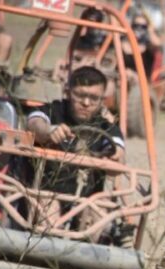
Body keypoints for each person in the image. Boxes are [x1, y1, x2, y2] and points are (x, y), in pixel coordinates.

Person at [27, 66, 125, 229]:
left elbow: (118, 154)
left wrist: (113, 159)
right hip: (47, 192)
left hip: (87, 200)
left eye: (93, 98)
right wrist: (48, 131)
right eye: (80, 95)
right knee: (47, 209)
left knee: (100, 207)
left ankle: (90, 249)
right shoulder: (53, 111)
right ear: (68, 92)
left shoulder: (107, 128)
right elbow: (33, 123)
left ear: (102, 100)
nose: (86, 103)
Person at [122, 11, 161, 79]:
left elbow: (158, 44)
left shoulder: (149, 47)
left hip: (141, 81)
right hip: (122, 77)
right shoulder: (123, 42)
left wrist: (150, 30)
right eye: (136, 26)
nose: (139, 29)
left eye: (143, 27)